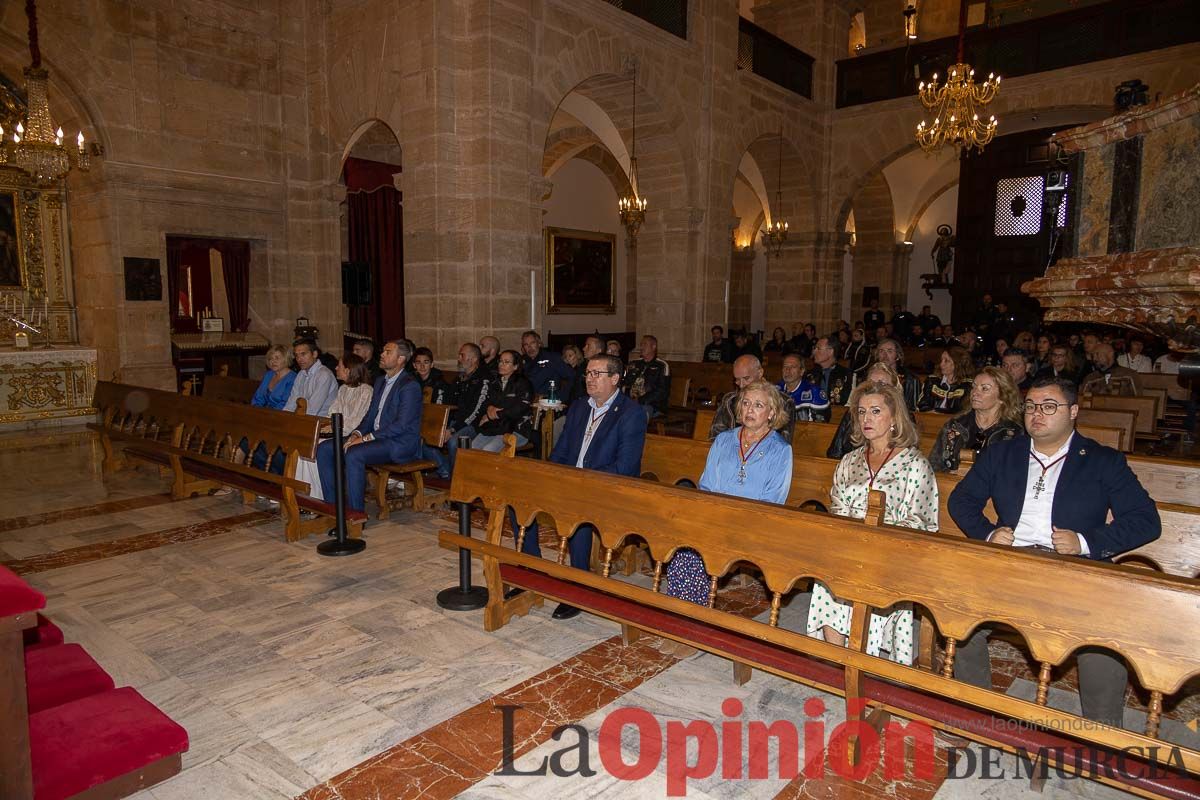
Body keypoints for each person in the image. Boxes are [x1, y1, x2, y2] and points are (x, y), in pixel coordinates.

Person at [947, 377, 1162, 728]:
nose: (1037, 414)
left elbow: (1146, 520)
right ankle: (976, 710)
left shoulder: (1101, 460)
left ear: (1073, 411)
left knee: (1104, 637)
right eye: (1031, 406)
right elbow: (962, 500)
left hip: (1073, 571)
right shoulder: (1004, 453)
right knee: (956, 610)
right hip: (1014, 564)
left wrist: (1086, 542)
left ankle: (1101, 732)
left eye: (1049, 407)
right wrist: (987, 533)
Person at [807, 380, 939, 665]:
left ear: (894, 418)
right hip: (850, 544)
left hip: (893, 551)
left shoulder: (914, 463)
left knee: (868, 576)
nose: (867, 419)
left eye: (876, 411)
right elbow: (838, 506)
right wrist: (849, 542)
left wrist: (879, 544)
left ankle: (860, 660)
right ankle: (839, 658)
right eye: (862, 412)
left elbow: (921, 520)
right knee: (828, 572)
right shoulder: (850, 460)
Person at [507, 354, 647, 620]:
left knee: (577, 512)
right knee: (520, 501)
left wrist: (579, 482)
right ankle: (533, 571)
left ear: (615, 379)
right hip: (572, 482)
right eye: (588, 374)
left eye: (597, 374)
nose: (590, 379)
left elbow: (625, 467)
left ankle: (579, 583)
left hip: (608, 487)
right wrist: (550, 476)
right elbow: (561, 453)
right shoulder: (580, 406)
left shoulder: (631, 413)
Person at [666, 380, 792, 606]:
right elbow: (707, 486)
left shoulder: (780, 450)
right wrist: (711, 518)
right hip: (715, 518)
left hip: (753, 524)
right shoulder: (724, 440)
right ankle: (682, 612)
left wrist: (735, 521)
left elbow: (773, 500)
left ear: (772, 413)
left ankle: (693, 615)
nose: (750, 410)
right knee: (684, 547)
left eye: (758, 405)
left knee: (703, 549)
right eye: (746, 403)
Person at [316, 340, 422, 512]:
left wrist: (366, 438)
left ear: (401, 358)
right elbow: (370, 416)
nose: (382, 354)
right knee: (325, 448)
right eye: (383, 351)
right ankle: (333, 508)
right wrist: (357, 434)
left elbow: (401, 425)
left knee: (354, 453)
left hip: (399, 443)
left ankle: (355, 515)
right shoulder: (380, 381)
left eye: (388, 352)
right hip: (378, 439)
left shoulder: (410, 386)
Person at [296, 353, 375, 501]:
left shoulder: (366, 391)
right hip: (338, 431)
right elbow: (332, 412)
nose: (336, 368)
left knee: (318, 447)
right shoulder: (343, 389)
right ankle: (307, 495)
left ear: (349, 369)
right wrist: (325, 426)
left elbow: (358, 421)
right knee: (306, 446)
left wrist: (333, 429)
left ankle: (326, 498)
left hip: (353, 435)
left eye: (340, 365)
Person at [928, 366, 1023, 473]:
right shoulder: (955, 425)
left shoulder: (1013, 433)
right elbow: (934, 465)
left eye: (985, 388)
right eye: (974, 387)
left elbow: (1013, 475)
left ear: (1002, 397)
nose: (975, 393)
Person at [431, 342, 491, 477]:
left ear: (474, 359)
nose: (459, 359)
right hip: (457, 420)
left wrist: (453, 429)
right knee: (428, 435)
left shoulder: (484, 379)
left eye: (462, 355)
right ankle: (445, 470)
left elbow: (476, 411)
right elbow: (450, 400)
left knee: (454, 442)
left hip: (475, 424)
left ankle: (456, 480)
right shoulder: (460, 378)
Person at [827, 362, 908, 459]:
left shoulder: (903, 416)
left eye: (881, 384)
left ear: (894, 389)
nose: (875, 388)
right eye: (870, 383)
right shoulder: (852, 413)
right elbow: (835, 453)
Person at [709, 355, 793, 442]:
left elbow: (783, 441)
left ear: (760, 373)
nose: (741, 385)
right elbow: (715, 436)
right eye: (737, 380)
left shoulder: (783, 402)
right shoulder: (729, 401)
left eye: (746, 378)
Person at [471, 349, 534, 452]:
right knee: (472, 448)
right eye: (500, 361)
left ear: (515, 366)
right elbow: (486, 401)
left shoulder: (523, 384)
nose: (501, 364)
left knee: (489, 449)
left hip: (516, 430)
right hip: (496, 427)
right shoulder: (495, 382)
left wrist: (497, 414)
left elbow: (520, 408)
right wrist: (489, 409)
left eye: (506, 362)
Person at [284, 338, 337, 417]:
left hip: (323, 422)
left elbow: (312, 410)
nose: (299, 359)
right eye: (296, 355)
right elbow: (292, 402)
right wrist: (284, 417)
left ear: (314, 354)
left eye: (303, 354)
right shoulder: (301, 374)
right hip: (306, 419)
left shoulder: (324, 375)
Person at [623, 335, 671, 423]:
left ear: (653, 347)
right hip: (631, 402)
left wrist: (640, 400)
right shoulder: (635, 364)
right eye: (641, 344)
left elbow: (662, 391)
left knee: (638, 415)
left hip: (652, 405)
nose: (641, 347)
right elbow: (626, 384)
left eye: (644, 344)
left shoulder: (661, 366)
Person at [520, 330, 575, 403]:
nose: (529, 347)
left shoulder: (552, 358)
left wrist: (559, 397)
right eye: (526, 344)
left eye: (532, 343)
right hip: (528, 403)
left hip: (549, 403)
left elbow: (572, 376)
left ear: (539, 343)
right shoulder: (522, 362)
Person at [803, 337, 852, 416]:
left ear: (830, 352)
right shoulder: (809, 374)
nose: (814, 351)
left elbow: (843, 403)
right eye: (814, 348)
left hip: (836, 417)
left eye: (818, 348)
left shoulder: (845, 374)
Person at [873, 337, 922, 410]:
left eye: (889, 351)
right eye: (881, 351)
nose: (885, 355)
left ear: (898, 356)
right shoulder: (870, 376)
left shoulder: (910, 379)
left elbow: (912, 410)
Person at [777, 353, 828, 422]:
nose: (788, 370)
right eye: (785, 366)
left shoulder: (814, 392)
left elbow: (819, 425)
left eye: (793, 367)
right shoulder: (776, 390)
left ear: (802, 371)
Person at [251, 344, 296, 410]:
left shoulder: (292, 378)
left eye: (277, 358)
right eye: (270, 358)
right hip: (264, 412)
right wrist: (256, 409)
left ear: (285, 359)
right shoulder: (269, 375)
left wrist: (268, 415)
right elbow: (258, 397)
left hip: (281, 415)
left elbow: (285, 404)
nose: (273, 361)